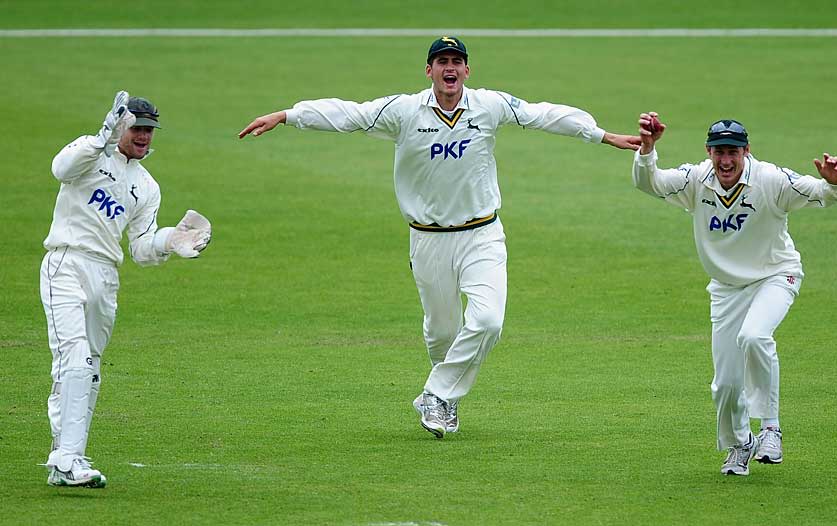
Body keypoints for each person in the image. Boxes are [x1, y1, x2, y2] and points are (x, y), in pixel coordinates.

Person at [239, 36, 641, 438]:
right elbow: (349, 114)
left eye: (457, 61)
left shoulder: (489, 105)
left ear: (468, 70)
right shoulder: (403, 111)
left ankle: (437, 395)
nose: (450, 68)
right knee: (442, 333)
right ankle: (445, 398)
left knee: (487, 321)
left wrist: (600, 135)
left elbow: (543, 114)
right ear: (428, 70)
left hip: (482, 234)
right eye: (441, 61)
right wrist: (289, 115)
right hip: (428, 239)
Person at [631, 112, 837, 475]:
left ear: (746, 151)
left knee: (755, 335)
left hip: (775, 276)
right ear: (708, 152)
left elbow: (823, 193)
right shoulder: (696, 180)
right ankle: (739, 444)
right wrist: (647, 151)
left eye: (733, 151)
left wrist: (835, 182)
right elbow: (649, 184)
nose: (726, 161)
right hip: (726, 289)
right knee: (726, 385)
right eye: (719, 152)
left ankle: (770, 429)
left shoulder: (770, 179)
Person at [41, 91, 212, 487]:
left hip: (105, 276)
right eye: (137, 128)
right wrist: (100, 138)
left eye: (149, 130)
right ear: (120, 125)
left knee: (88, 368)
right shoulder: (90, 154)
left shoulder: (146, 186)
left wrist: (170, 240)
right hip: (66, 263)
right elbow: (60, 168)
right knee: (76, 360)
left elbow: (140, 246)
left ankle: (67, 459)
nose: (144, 137)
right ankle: (67, 458)